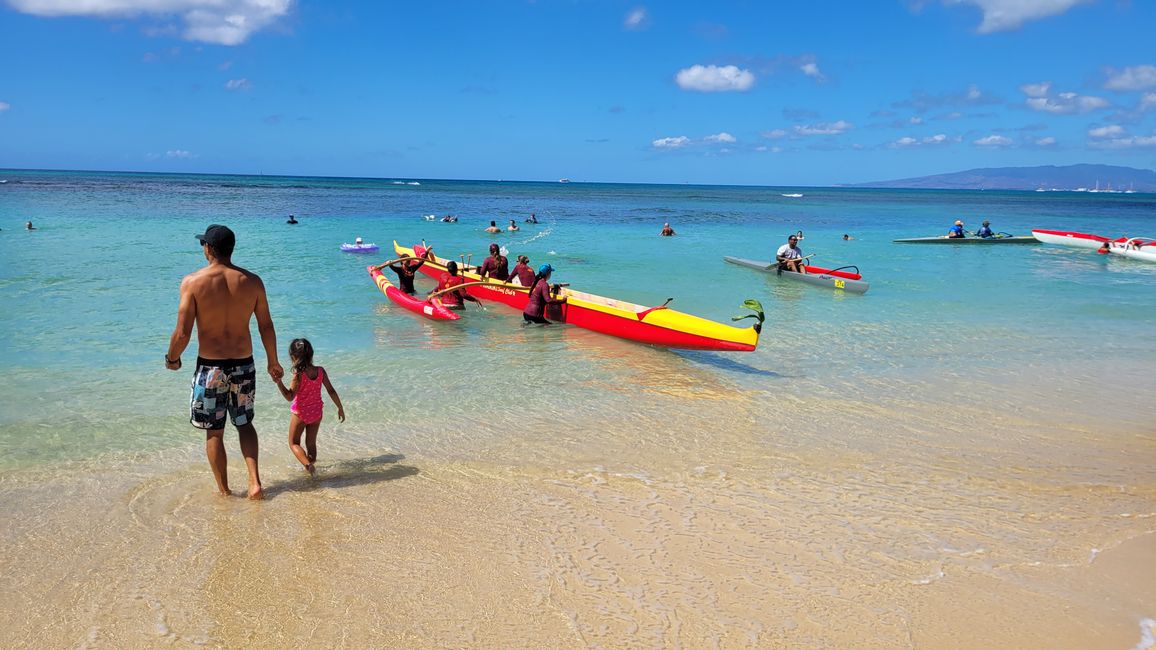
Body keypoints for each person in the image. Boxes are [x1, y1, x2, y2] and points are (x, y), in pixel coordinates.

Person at [166, 224, 283, 500]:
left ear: (208, 248)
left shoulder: (193, 282)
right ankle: (255, 482)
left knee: (214, 432)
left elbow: (183, 333)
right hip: (244, 364)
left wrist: (172, 359)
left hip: (211, 368)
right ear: (231, 249)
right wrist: (273, 361)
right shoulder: (253, 281)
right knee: (244, 423)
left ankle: (225, 492)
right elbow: (266, 325)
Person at [273, 338, 345, 477]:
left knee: (293, 443)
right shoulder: (320, 371)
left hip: (301, 414)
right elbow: (331, 390)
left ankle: (308, 466)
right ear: (311, 354)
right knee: (311, 443)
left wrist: (279, 383)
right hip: (317, 412)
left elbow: (289, 396)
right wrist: (340, 408)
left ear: (293, 356)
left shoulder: (298, 375)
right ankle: (311, 469)